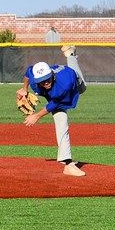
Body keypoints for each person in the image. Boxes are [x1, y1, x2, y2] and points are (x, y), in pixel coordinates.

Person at [17, 45, 87, 176]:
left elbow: (54, 104)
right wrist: (24, 89)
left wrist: (36, 116)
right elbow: (28, 71)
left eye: (47, 79)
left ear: (52, 75)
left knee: (82, 85)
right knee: (61, 120)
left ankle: (70, 56)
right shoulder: (35, 76)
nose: (45, 83)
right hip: (55, 94)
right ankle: (67, 164)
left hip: (73, 81)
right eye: (41, 81)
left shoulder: (64, 84)